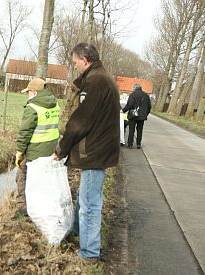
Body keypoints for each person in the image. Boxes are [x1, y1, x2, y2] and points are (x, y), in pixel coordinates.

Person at [54, 43, 120, 264]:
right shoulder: (101, 78)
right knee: (85, 199)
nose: (75, 68)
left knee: (90, 203)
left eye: (75, 63)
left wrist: (61, 149)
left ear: (84, 59)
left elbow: (80, 121)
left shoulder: (95, 82)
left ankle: (89, 252)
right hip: (99, 148)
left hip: (95, 151)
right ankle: (76, 233)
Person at [15, 78, 60, 217]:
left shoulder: (33, 107)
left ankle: (23, 208)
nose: (28, 95)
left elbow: (25, 132)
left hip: (34, 151)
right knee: (43, 180)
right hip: (51, 150)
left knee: (22, 177)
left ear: (34, 91)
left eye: (28, 92)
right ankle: (42, 205)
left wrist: (20, 152)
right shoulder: (55, 104)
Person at [122, 84, 152, 149]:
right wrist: (145, 114)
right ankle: (138, 144)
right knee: (140, 130)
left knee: (131, 130)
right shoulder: (146, 95)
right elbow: (149, 107)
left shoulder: (133, 94)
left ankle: (130, 144)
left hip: (133, 116)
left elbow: (129, 104)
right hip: (142, 116)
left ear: (134, 88)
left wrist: (123, 111)